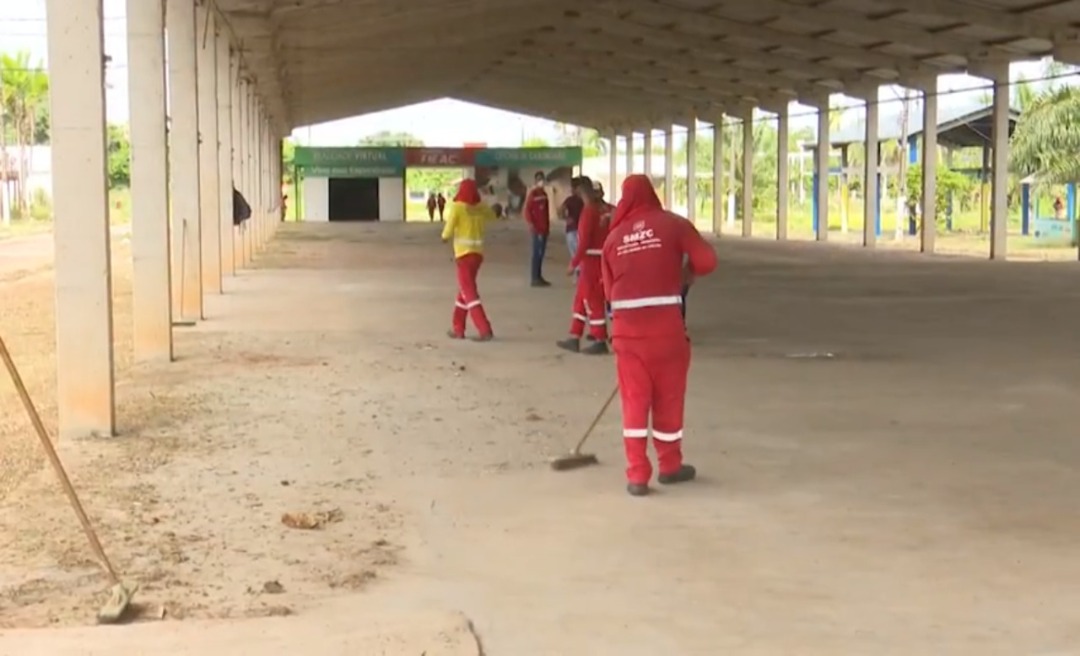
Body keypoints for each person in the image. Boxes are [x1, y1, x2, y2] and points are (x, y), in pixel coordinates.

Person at [602, 174, 718, 497]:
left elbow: (609, 293)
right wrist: (687, 274)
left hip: (628, 336)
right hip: (667, 333)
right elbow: (708, 260)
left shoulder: (613, 240)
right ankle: (669, 465)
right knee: (669, 397)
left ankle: (637, 474)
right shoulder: (673, 225)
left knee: (634, 402)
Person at [556, 177, 609, 356]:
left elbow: (584, 241)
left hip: (591, 260)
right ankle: (574, 335)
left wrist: (574, 263)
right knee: (581, 298)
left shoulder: (589, 212)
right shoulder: (608, 210)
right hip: (603, 258)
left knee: (592, 298)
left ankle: (599, 338)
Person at [442, 179, 496, 342]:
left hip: (463, 256)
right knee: (463, 292)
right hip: (477, 256)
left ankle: (484, 329)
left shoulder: (458, 207)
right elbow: (493, 216)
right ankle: (458, 328)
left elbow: (449, 228)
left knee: (469, 293)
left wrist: (444, 237)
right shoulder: (481, 208)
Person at [524, 171, 552, 287]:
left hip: (544, 228)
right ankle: (534, 277)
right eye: (539, 179)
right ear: (535, 181)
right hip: (537, 229)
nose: (541, 181)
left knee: (541, 254)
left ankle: (539, 276)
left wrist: (548, 227)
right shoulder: (533, 194)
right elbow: (527, 211)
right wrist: (531, 224)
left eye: (542, 179)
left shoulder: (544, 194)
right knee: (537, 253)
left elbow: (546, 212)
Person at [561, 177, 586, 280]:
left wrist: (566, 218)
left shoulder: (570, 200)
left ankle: (577, 275)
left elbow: (561, 210)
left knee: (575, 254)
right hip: (579, 230)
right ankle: (579, 274)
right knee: (580, 254)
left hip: (571, 230)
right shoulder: (584, 200)